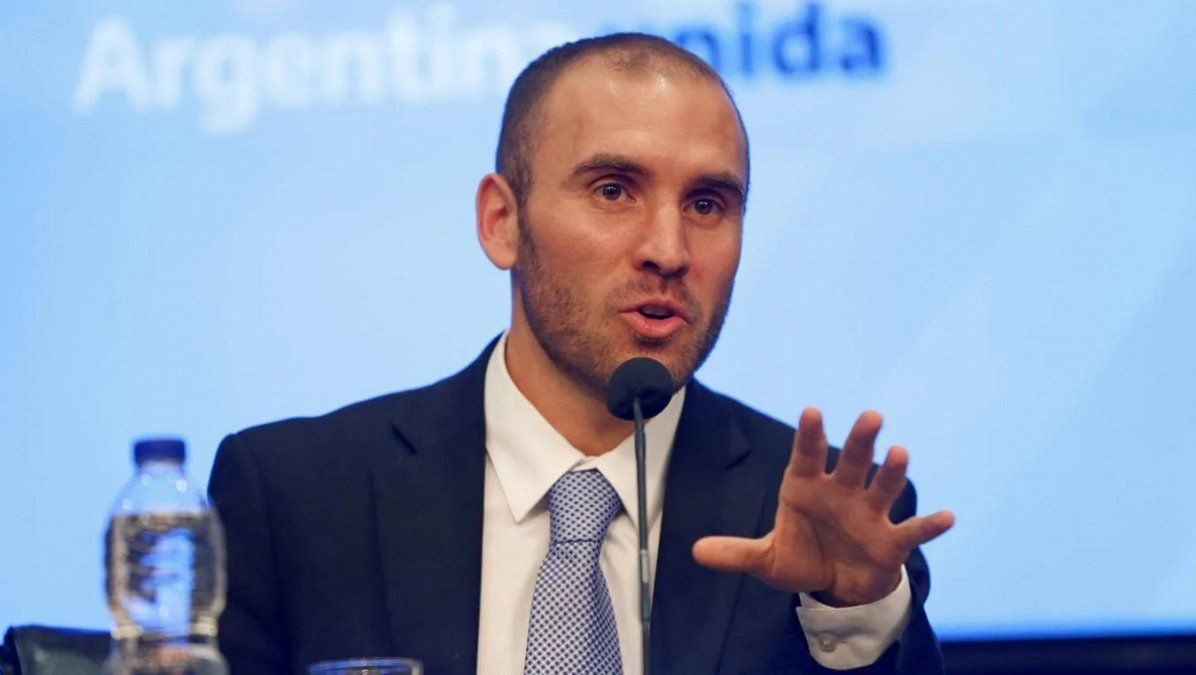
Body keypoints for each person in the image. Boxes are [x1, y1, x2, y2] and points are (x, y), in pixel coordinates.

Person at [209, 33, 954, 675]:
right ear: (502, 221)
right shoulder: (295, 498)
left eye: (707, 204)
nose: (668, 250)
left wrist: (856, 611)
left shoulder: (828, 521)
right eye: (613, 190)